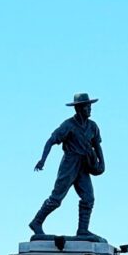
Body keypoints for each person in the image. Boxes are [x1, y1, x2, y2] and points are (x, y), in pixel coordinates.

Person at [29, 92, 105, 240]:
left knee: (88, 197)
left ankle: (83, 229)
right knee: (56, 198)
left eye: (90, 106)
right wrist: (43, 159)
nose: (90, 109)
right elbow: (51, 140)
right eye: (87, 106)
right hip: (70, 164)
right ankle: (36, 222)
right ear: (79, 108)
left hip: (84, 165)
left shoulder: (92, 126)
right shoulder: (68, 125)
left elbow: (97, 145)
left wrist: (102, 163)